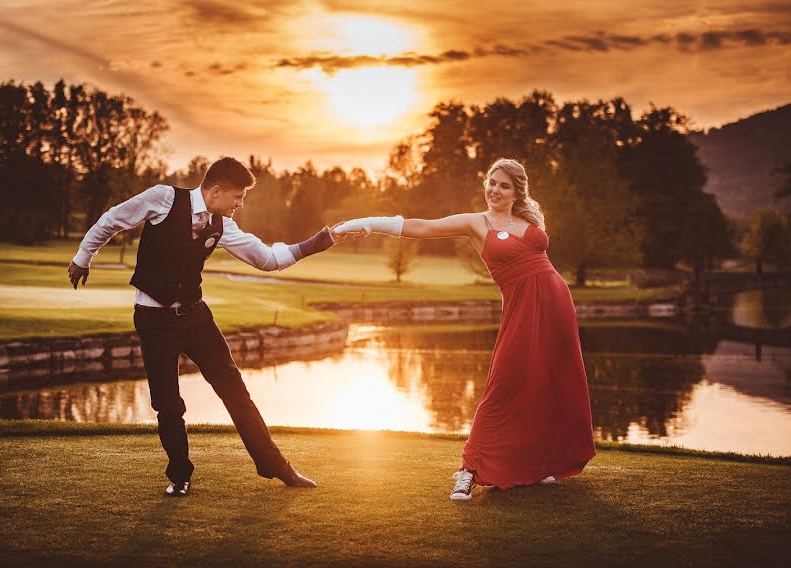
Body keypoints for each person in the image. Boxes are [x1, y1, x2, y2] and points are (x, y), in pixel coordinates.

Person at [68, 157, 358, 496]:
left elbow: (268, 260)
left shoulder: (223, 226)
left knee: (235, 391)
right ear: (216, 190)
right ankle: (180, 476)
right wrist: (82, 257)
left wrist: (323, 240)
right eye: (237, 196)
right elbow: (111, 221)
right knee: (168, 403)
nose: (241, 203)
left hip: (196, 318)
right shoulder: (164, 198)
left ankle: (276, 466)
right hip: (153, 319)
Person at [334, 158, 596, 500]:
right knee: (505, 383)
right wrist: (368, 222)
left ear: (517, 191)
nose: (494, 190)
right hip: (521, 307)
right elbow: (423, 227)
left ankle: (538, 463)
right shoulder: (476, 222)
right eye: (491, 182)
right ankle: (469, 470)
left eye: (504, 185)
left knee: (548, 380)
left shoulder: (526, 219)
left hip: (556, 303)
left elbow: (539, 264)